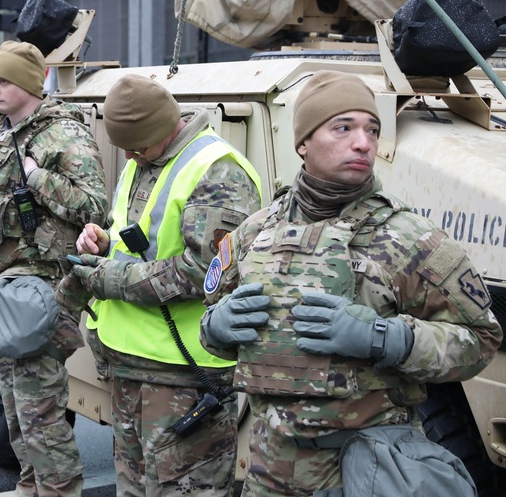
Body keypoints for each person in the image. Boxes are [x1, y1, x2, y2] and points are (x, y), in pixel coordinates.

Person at [198, 70, 503, 496]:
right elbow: (213, 326)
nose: (363, 143)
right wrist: (215, 327)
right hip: (268, 468)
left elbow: (481, 340)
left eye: (372, 130)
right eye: (343, 127)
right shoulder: (254, 232)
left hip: (366, 468)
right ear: (303, 143)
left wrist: (384, 338)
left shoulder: (410, 238)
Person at [60, 74, 262, 497]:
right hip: (131, 368)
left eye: (137, 145)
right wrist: (101, 242)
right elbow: (137, 240)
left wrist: (111, 278)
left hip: (183, 377)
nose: (130, 155)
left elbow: (206, 271)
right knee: (133, 488)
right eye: (126, 148)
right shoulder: (145, 161)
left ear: (163, 128)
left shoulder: (217, 171)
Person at [0, 40, 108, 497]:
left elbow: (93, 206)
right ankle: (32, 484)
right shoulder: (6, 133)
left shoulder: (62, 135)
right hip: (8, 287)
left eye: (4, 80)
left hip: (44, 287)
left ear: (30, 84)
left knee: (41, 411)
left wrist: (37, 177)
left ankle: (59, 488)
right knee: (16, 408)